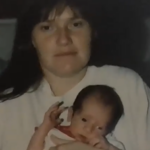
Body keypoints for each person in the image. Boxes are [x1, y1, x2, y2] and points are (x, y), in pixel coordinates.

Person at [0, 0, 149, 150]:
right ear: (31, 38)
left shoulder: (127, 84)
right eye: (47, 27)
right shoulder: (7, 108)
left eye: (76, 24)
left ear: (92, 31)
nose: (64, 39)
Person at [27, 85, 125, 150]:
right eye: (84, 120)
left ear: (108, 131)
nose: (88, 129)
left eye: (99, 128)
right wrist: (45, 127)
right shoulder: (53, 132)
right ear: (71, 114)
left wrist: (108, 147)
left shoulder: (104, 144)